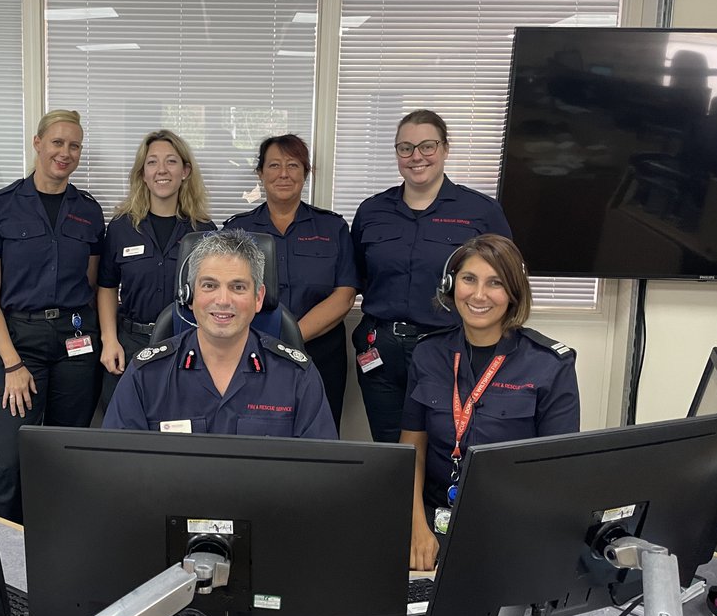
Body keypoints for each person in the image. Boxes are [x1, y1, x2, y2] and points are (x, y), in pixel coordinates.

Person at [401, 234, 579, 570]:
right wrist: (416, 528)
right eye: (469, 279)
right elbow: (412, 452)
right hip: (433, 519)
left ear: (513, 293)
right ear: (451, 285)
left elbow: (557, 473)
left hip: (513, 526)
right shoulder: (427, 354)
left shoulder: (551, 365)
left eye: (495, 283)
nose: (479, 295)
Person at [0, 109, 105, 523]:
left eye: (74, 146)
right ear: (38, 143)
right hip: (20, 343)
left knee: (66, 456)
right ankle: (2, 554)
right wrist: (12, 364)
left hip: (76, 344)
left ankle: (60, 546)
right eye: (57, 142)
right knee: (12, 461)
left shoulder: (89, 211)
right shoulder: (0, 207)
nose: (65, 153)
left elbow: (90, 283)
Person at [351, 109, 512, 444]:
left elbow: (506, 281)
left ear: (445, 148)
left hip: (449, 347)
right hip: (381, 350)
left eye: (427, 146)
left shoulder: (481, 212)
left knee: (448, 443)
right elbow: (359, 276)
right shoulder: (372, 211)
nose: (416, 157)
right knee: (390, 448)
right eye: (405, 148)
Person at [104, 228, 337, 440]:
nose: (223, 300)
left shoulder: (297, 377)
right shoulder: (146, 375)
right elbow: (119, 462)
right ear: (190, 296)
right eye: (209, 285)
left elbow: (320, 466)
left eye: (238, 287)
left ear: (258, 298)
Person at [224, 134, 358, 428]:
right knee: (251, 433)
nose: (283, 174)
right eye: (274, 165)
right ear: (260, 173)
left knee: (317, 436)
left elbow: (345, 295)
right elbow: (226, 293)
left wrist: (289, 338)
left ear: (305, 173)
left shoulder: (332, 227)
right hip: (250, 353)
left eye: (293, 165)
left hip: (320, 355)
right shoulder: (237, 230)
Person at [97, 130, 215, 406]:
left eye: (171, 161)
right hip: (130, 345)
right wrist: (109, 340)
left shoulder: (204, 231)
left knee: (182, 422)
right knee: (123, 424)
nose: (162, 170)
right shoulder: (121, 227)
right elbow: (106, 287)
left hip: (186, 343)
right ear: (143, 174)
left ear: (185, 171)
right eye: (152, 162)